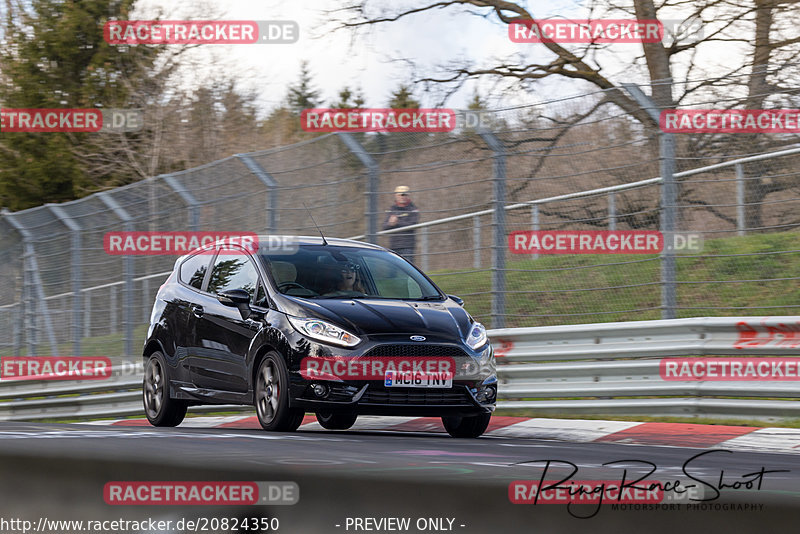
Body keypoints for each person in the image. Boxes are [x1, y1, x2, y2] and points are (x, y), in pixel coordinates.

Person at [382, 185, 419, 260]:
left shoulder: (413, 209)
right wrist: (390, 224)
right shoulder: (391, 209)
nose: (402, 197)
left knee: (408, 270)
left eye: (404, 194)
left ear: (408, 196)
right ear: (396, 196)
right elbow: (384, 226)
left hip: (408, 246)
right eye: (400, 195)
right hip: (393, 246)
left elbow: (413, 224)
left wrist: (396, 223)